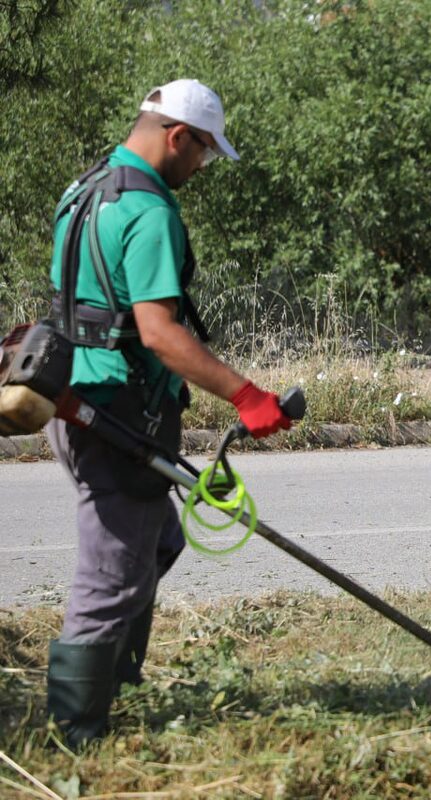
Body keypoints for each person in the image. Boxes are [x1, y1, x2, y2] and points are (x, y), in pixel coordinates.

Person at [44, 79, 291, 747]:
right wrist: (246, 394)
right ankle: (75, 733)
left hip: (73, 394)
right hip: (117, 408)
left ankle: (111, 685)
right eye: (204, 155)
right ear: (178, 137)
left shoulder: (85, 189)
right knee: (113, 571)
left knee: (158, 542)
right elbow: (157, 331)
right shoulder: (149, 209)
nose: (201, 170)